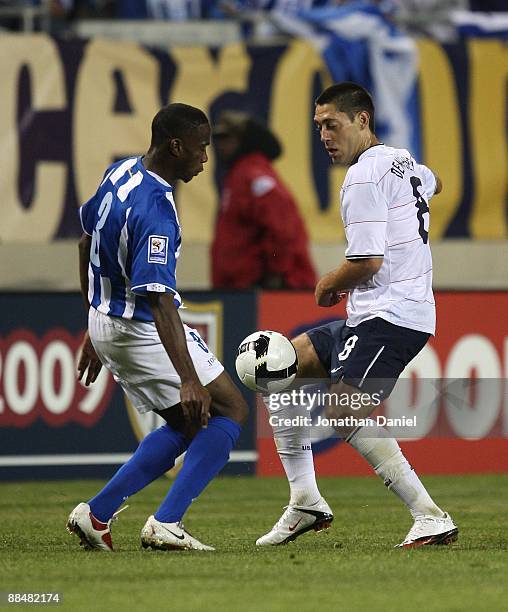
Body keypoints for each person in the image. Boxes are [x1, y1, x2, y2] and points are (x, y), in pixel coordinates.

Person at [257, 82, 458, 548]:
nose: (325, 135)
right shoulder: (401, 160)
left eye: (333, 124)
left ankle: (429, 516)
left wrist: (327, 284)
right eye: (318, 127)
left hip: (392, 314)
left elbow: (367, 262)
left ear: (361, 120)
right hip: (376, 312)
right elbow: (435, 182)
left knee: (344, 410)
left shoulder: (363, 176)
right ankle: (305, 500)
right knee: (280, 368)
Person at [67, 103, 248, 552]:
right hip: (137, 327)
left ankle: (96, 514)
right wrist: (189, 378)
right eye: (201, 148)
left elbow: (86, 239)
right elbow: (159, 299)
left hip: (108, 318)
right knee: (227, 409)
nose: (205, 158)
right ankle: (166, 523)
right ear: (176, 146)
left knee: (187, 423)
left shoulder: (121, 171)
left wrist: (94, 318)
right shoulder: (157, 212)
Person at [211, 111, 316, 290]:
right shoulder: (237, 176)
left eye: (225, 137)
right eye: (217, 138)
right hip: (239, 291)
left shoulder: (253, 175)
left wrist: (274, 275)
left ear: (242, 140)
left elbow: (281, 229)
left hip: (269, 291)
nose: (219, 145)